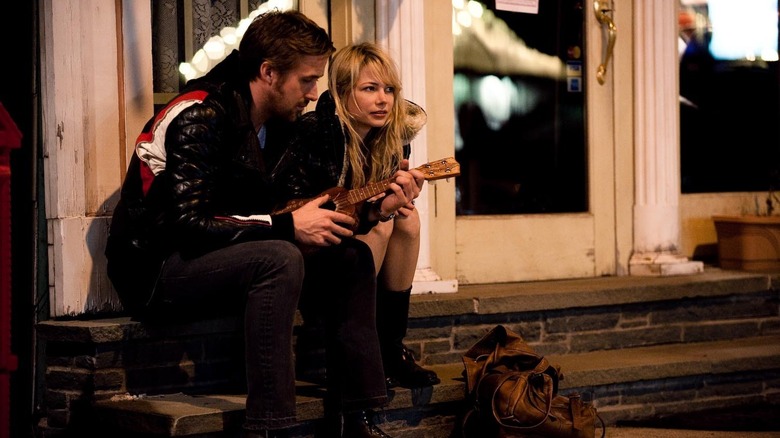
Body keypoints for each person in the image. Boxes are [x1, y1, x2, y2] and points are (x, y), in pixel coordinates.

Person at [105, 10, 417, 438]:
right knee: (280, 256)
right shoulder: (201, 116)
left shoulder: (278, 124)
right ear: (269, 72)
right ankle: (270, 427)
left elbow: (287, 207)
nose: (313, 93)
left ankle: (357, 416)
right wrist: (287, 227)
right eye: (307, 80)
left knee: (350, 255)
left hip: (228, 255)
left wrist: (372, 212)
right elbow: (186, 225)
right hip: (159, 268)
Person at [273, 42, 440, 389]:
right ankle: (356, 349)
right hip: (313, 255)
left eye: (389, 89)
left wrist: (393, 201)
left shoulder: (393, 141)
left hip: (355, 245)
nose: (383, 100)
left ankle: (390, 347)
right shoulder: (316, 132)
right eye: (370, 89)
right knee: (379, 229)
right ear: (343, 92)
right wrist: (374, 212)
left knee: (407, 219)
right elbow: (298, 207)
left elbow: (380, 209)